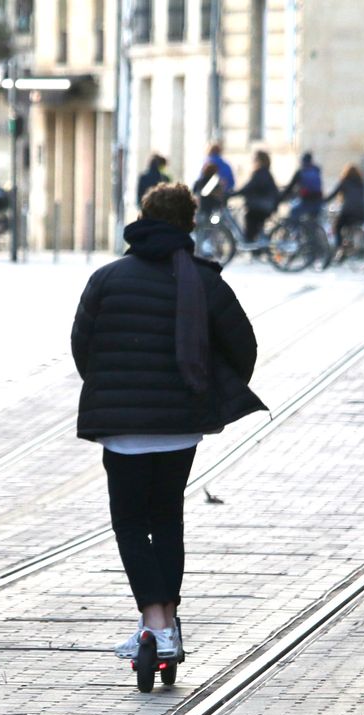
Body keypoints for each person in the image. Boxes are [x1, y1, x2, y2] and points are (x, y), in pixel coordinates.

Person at [71, 182, 265, 668]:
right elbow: (244, 346)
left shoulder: (107, 278)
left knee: (131, 523)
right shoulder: (203, 281)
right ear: (189, 225)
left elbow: (82, 345)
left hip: (122, 429)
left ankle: (155, 623)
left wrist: (111, 390)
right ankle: (166, 626)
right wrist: (208, 390)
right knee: (166, 519)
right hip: (180, 425)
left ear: (143, 218)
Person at [228, 150, 279, 242]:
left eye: (255, 159)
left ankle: (251, 242)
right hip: (266, 205)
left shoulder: (259, 173)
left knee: (250, 223)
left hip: (260, 206)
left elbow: (248, 187)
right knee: (255, 226)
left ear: (260, 161)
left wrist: (231, 194)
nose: (253, 162)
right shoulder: (266, 173)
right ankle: (256, 243)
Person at [323, 163, 364, 258]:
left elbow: (333, 195)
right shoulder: (362, 183)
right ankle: (352, 244)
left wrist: (322, 201)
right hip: (362, 213)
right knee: (352, 225)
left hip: (349, 211)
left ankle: (340, 249)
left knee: (338, 227)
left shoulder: (344, 182)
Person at [280, 151, 324, 224]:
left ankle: (295, 232)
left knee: (293, 211)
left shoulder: (301, 172)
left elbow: (290, 187)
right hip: (318, 203)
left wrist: (281, 197)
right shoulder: (316, 170)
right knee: (311, 222)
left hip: (306, 202)